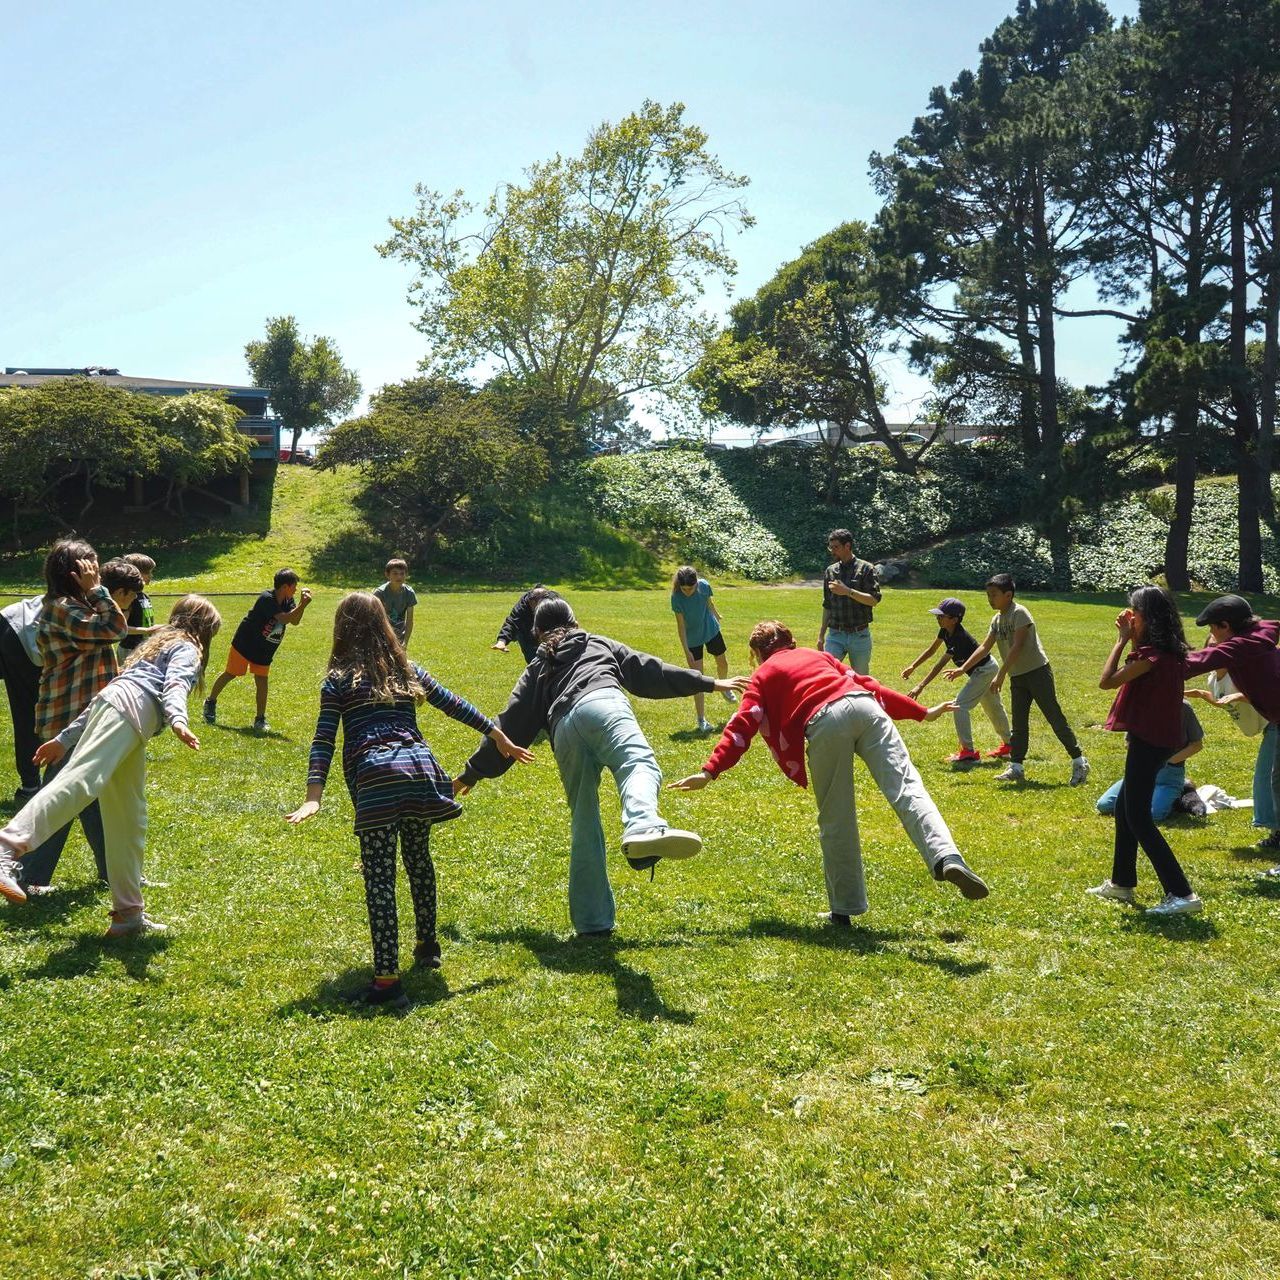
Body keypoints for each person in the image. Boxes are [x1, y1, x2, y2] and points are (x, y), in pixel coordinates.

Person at [286, 592, 532, 1010]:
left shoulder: (338, 681)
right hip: (419, 772)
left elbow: (324, 739)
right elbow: (454, 704)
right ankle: (427, 945)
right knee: (418, 857)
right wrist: (498, 734)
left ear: (341, 629)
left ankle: (386, 982)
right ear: (384, 624)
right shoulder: (405, 669)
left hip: (377, 779)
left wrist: (314, 797)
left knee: (380, 878)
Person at [457, 598, 745, 937]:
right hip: (603, 705)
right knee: (638, 763)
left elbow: (511, 721)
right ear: (574, 621)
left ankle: (593, 922)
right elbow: (649, 670)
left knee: (584, 820)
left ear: (536, 633)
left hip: (564, 728)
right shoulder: (595, 641)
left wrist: (472, 772)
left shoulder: (537, 666)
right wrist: (708, 682)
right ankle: (641, 824)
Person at [668, 620, 989, 923]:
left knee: (837, 818)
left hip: (825, 721)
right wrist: (920, 711)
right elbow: (868, 684)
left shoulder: (763, 674)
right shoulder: (817, 655)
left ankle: (844, 908)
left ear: (757, 653)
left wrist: (710, 771)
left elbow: (743, 725)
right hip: (867, 708)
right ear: (790, 641)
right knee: (908, 788)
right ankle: (947, 858)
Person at [0, 596, 221, 934]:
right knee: (81, 781)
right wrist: (178, 718)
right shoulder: (188, 647)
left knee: (128, 817)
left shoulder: (155, 645)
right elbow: (175, 684)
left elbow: (107, 695)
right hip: (131, 714)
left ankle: (127, 915)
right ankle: (7, 847)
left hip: (126, 718)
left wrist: (65, 739)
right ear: (204, 630)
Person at [17, 541, 130, 892]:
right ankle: (24, 874)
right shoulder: (64, 608)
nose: (97, 572)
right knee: (63, 797)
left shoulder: (77, 606)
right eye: (91, 566)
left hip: (85, 715)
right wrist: (98, 591)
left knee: (93, 797)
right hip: (69, 717)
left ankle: (115, 873)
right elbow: (114, 629)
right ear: (74, 573)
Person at [1087, 587, 1202, 917]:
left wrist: (1121, 640)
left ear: (1147, 618)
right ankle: (1122, 882)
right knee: (1125, 809)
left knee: (1137, 816)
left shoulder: (1149, 658)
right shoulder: (1168, 653)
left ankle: (1182, 893)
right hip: (1156, 739)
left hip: (1150, 742)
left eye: (1133, 612)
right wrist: (1133, 638)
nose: (1129, 616)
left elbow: (1107, 681)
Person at [946, 573, 1088, 786]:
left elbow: (1017, 646)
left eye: (994, 595)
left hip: (1037, 672)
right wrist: (963, 669)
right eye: (988, 594)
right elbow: (985, 647)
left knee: (1053, 716)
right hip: (1018, 676)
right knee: (1019, 724)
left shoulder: (1019, 613)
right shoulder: (997, 619)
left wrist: (1000, 674)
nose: (990, 599)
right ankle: (1016, 767)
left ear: (1008, 595)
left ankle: (1079, 761)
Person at [1181, 594, 1280, 872]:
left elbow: (1202, 660)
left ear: (1226, 625)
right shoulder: (1258, 633)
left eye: (1213, 628)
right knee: (1277, 781)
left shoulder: (1242, 645)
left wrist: (1157, 666)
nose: (1211, 635)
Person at [901, 596, 1011, 763]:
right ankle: (1010, 745)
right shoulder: (945, 630)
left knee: (959, 706)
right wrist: (913, 666)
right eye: (937, 615)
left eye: (941, 616)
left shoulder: (959, 637)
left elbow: (939, 664)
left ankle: (968, 752)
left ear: (954, 619)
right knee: (993, 707)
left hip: (984, 670)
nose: (937, 619)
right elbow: (932, 650)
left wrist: (920, 685)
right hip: (984, 669)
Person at [203, 569, 313, 733]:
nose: (296, 589)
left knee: (262, 679)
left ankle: (260, 719)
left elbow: (294, 620)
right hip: (245, 643)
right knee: (231, 673)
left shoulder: (288, 601)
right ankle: (210, 702)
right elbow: (283, 618)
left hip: (265, 648)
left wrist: (302, 605)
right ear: (285, 586)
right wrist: (303, 604)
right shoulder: (266, 598)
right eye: (294, 586)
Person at [1186, 669, 1276, 840]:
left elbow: (1267, 696)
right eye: (1211, 647)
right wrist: (1200, 694)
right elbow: (1223, 701)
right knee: (1268, 778)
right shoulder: (1213, 678)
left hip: (1274, 722)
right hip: (1270, 724)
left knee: (1266, 779)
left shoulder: (1241, 674)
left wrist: (1240, 696)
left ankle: (1275, 832)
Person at [1095, 699, 1203, 822]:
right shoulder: (1141, 703)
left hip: (1168, 777)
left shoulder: (1184, 707)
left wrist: (1168, 760)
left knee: (1153, 815)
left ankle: (1180, 791)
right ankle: (1157, 796)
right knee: (1104, 805)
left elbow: (1196, 745)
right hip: (1140, 773)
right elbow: (1129, 742)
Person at [671, 565, 736, 734]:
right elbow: (681, 627)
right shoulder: (676, 597)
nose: (687, 591)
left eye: (690, 588)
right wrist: (687, 651)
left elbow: (709, 603)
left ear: (696, 583)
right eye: (684, 588)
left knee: (722, 662)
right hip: (692, 639)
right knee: (697, 679)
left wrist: (717, 614)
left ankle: (725, 688)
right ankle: (701, 719)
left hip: (711, 629)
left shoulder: (704, 586)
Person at [0, 591, 45, 803]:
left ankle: (31, 785)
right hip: (20, 637)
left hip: (12, 622)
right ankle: (31, 786)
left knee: (29, 714)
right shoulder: (95, 600)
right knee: (29, 714)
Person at [817, 529, 881, 675]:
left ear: (848, 546)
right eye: (830, 547)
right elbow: (827, 605)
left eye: (836, 547)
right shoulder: (830, 571)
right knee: (827, 674)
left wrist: (848, 591)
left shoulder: (866, 569)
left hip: (859, 634)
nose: (832, 551)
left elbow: (873, 600)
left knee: (861, 678)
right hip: (835, 634)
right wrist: (821, 635)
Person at [492, 586, 561, 662]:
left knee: (555, 656)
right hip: (527, 632)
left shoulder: (555, 603)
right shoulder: (524, 605)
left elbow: (565, 620)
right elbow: (512, 621)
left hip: (550, 629)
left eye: (537, 602)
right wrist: (502, 640)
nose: (534, 606)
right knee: (533, 659)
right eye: (532, 602)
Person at [118, 553, 161, 654]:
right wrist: (147, 631)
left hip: (143, 648)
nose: (151, 575)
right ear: (135, 573)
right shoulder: (129, 598)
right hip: (129, 649)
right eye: (148, 572)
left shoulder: (144, 597)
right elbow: (121, 628)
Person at [373, 557, 417, 648]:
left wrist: (405, 642)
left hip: (399, 633)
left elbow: (409, 620)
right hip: (382, 632)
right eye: (395, 573)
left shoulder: (409, 593)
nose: (399, 577)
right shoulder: (380, 593)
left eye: (402, 574)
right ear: (387, 575)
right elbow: (373, 618)